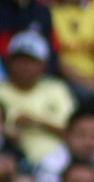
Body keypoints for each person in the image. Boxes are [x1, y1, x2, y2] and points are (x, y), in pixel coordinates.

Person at [0, 30, 76, 165]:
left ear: (43, 65)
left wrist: (35, 123)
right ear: (9, 62)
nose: (24, 66)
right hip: (11, 160)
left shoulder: (56, 89)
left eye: (31, 61)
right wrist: (7, 133)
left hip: (59, 161)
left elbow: (75, 132)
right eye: (19, 60)